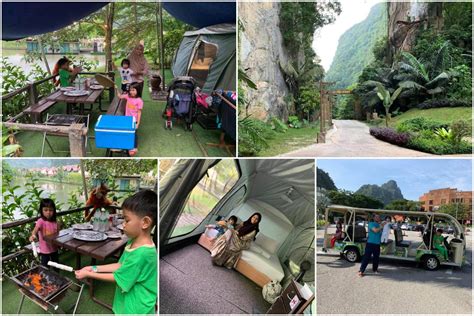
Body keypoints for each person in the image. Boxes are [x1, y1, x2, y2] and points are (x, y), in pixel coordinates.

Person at [75, 190, 157, 314]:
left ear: (145, 222)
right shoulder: (133, 241)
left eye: (127, 220)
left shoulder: (143, 253)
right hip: (127, 301)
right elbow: (120, 265)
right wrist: (94, 268)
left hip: (136, 308)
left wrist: (89, 274)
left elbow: (118, 277)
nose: (123, 224)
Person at [29, 199, 61, 267]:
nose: (48, 212)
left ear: (54, 211)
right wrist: (33, 235)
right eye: (45, 210)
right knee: (45, 267)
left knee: (57, 266)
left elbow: (58, 234)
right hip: (44, 250)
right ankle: (46, 277)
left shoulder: (56, 222)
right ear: (41, 210)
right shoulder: (40, 221)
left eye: (51, 210)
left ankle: (56, 276)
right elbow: (35, 230)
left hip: (54, 249)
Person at [119, 82, 143, 156]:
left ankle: (134, 147)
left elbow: (139, 113)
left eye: (133, 90)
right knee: (126, 132)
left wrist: (137, 123)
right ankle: (126, 145)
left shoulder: (139, 101)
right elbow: (119, 96)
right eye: (130, 90)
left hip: (134, 121)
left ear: (138, 91)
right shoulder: (128, 96)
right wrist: (116, 88)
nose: (131, 92)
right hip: (127, 119)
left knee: (134, 133)